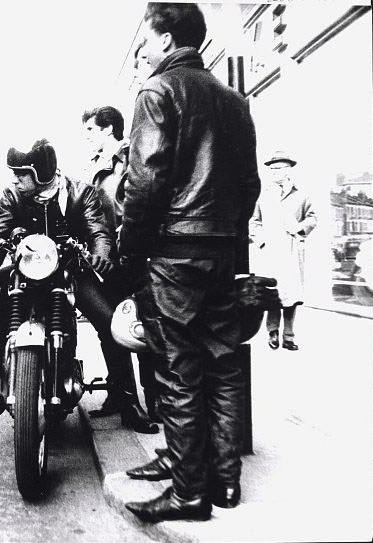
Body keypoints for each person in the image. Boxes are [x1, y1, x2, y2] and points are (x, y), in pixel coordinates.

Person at [120, 3, 261, 522]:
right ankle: (225, 484)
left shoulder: (157, 92)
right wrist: (223, 229)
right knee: (224, 365)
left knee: (179, 372)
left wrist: (133, 247)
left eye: (146, 38)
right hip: (223, 250)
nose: (142, 48)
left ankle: (188, 494)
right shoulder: (235, 101)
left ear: (166, 39)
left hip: (175, 252)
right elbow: (250, 186)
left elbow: (147, 182)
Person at [0, 139, 155, 433]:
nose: (16, 179)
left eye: (22, 173)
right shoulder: (12, 197)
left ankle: (127, 399)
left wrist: (101, 256)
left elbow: (99, 232)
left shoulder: (81, 194)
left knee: (110, 322)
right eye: (15, 173)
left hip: (71, 270)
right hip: (28, 269)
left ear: (40, 173)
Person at [81, 105, 160, 430]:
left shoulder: (128, 156)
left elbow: (135, 205)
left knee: (143, 329)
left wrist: (127, 248)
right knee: (109, 329)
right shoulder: (97, 165)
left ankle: (153, 403)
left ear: (108, 129)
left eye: (90, 131)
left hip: (133, 258)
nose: (86, 137)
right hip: (107, 261)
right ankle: (120, 396)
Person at [250, 151, 316, 351]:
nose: (274, 172)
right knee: (273, 293)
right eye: (271, 168)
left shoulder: (301, 194)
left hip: (292, 250)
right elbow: (254, 222)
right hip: (271, 252)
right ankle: (272, 333)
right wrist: (262, 241)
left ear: (288, 169)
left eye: (278, 168)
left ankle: (289, 336)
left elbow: (312, 218)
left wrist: (299, 228)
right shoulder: (263, 194)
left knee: (291, 296)